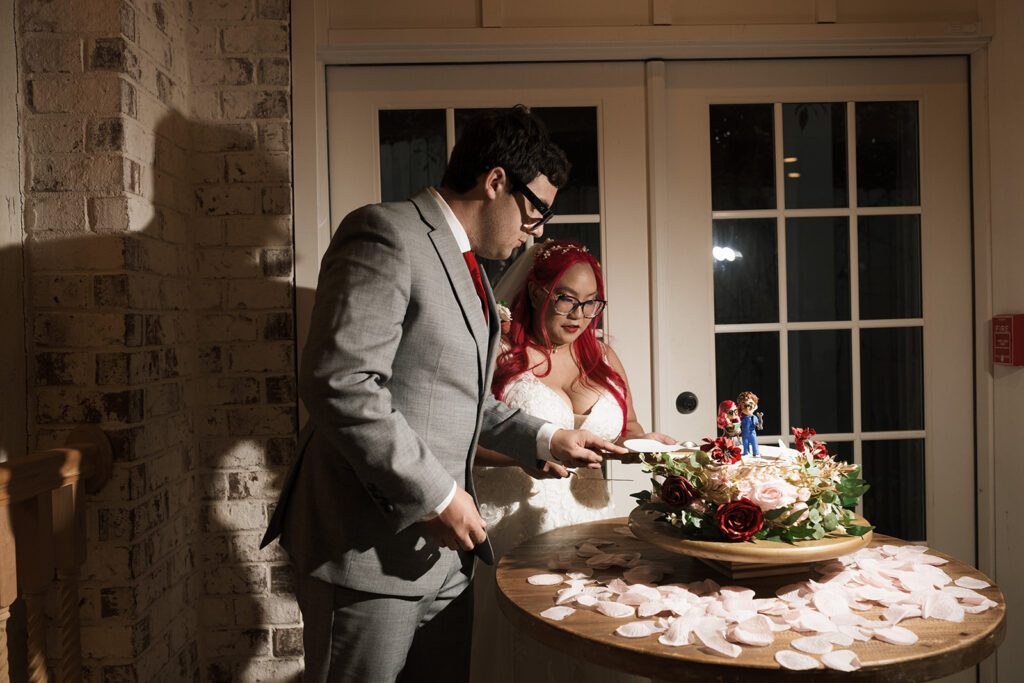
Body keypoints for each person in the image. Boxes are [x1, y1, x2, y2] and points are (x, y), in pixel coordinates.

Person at [261, 107, 627, 683]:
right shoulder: (385, 232)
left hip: (446, 564)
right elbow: (341, 382)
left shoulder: (474, 268)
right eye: (535, 210)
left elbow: (461, 399)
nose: (537, 230)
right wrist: (435, 496)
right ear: (496, 181)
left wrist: (546, 435)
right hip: (367, 551)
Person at [470, 240, 675, 683]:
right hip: (518, 520)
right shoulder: (498, 352)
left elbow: (630, 427)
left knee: (602, 637)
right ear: (537, 290)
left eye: (591, 303)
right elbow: (464, 436)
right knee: (532, 649)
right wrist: (523, 454)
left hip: (598, 516)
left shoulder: (602, 354)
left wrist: (647, 443)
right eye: (567, 299)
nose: (579, 315)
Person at [737, 390, 763, 455]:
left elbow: (759, 426)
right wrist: (735, 429)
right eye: (744, 405)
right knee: (745, 444)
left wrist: (760, 423)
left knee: (754, 443)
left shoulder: (754, 418)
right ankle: (746, 452)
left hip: (752, 434)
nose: (747, 408)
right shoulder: (741, 418)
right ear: (740, 407)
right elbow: (738, 425)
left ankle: (755, 452)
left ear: (756, 406)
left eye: (750, 405)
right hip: (744, 434)